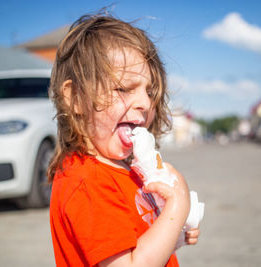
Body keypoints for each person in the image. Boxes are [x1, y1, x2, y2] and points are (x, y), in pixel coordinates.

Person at [48, 13, 200, 267]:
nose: (144, 103)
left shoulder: (122, 170)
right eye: (123, 88)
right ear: (74, 97)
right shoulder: (88, 182)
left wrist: (172, 232)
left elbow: (137, 243)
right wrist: (177, 206)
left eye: (149, 92)